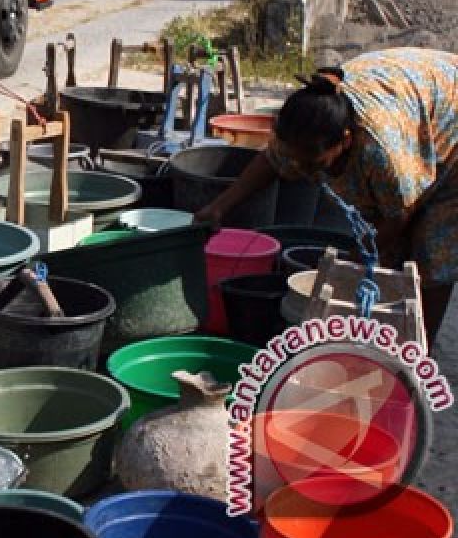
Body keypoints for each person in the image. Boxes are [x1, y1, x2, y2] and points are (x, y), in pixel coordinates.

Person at [195, 48, 458, 347]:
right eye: (297, 162)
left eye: (314, 165)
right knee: (384, 256)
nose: (304, 172)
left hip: (451, 119)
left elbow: (400, 215)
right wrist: (219, 207)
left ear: (346, 140)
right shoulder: (305, 124)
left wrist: (344, 269)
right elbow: (273, 160)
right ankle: (378, 338)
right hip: (407, 92)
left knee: (431, 251)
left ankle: (418, 355)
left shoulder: (381, 148)